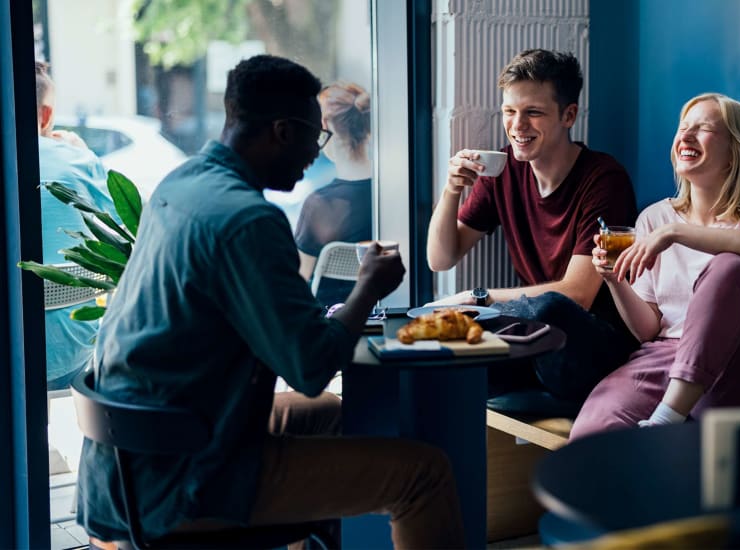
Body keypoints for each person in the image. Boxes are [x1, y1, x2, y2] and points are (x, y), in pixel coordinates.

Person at [77, 55, 464, 549]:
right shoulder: (249, 221)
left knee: (334, 415)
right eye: (313, 137)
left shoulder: (183, 183)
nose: (314, 153)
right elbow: (309, 368)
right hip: (187, 479)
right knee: (424, 474)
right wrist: (367, 288)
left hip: (128, 460)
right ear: (283, 131)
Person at [569, 93, 740, 440]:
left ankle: (666, 418)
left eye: (703, 129)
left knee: (730, 267)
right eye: (682, 128)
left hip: (732, 365)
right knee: (590, 437)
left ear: (736, 152)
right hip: (661, 357)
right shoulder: (655, 218)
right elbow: (648, 329)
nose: (686, 137)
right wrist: (614, 279)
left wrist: (678, 233)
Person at [426, 48, 639, 401]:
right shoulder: (504, 167)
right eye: (509, 112)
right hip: (531, 335)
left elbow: (577, 295)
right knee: (444, 342)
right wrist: (451, 189)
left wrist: (478, 298)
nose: (517, 126)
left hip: (591, 344)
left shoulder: (604, 179)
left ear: (568, 115)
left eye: (533, 113)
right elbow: (440, 258)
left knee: (550, 308)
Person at [34, 60, 116, 390]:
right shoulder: (79, 162)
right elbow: (126, 228)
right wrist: (85, 155)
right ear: (45, 116)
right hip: (71, 347)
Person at [295, 81, 373, 306]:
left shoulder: (319, 205)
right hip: (386, 315)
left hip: (334, 319)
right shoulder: (396, 197)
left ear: (324, 126)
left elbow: (300, 280)